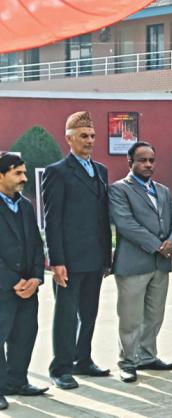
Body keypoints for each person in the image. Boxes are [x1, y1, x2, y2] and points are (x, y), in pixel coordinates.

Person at [44, 111, 112, 389]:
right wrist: (57, 260)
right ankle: (60, 368)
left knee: (89, 313)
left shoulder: (101, 171)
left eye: (92, 135)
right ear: (69, 139)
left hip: (95, 257)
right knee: (66, 316)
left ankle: (83, 360)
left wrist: (107, 256)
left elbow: (103, 217)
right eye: (84, 136)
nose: (90, 140)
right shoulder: (57, 172)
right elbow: (52, 220)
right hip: (70, 260)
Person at [109, 142, 172, 383]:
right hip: (133, 264)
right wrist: (158, 245)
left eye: (151, 160)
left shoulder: (162, 190)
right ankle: (128, 362)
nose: (148, 164)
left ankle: (147, 356)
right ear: (130, 162)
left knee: (154, 315)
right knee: (130, 318)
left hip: (160, 264)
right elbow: (125, 223)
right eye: (142, 160)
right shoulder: (119, 189)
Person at [0, 154, 47, 410]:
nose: (24, 178)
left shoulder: (26, 206)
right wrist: (12, 281)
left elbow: (37, 245)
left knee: (24, 336)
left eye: (24, 172)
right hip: (3, 287)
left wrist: (37, 277)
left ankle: (17, 382)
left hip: (28, 288)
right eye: (17, 173)